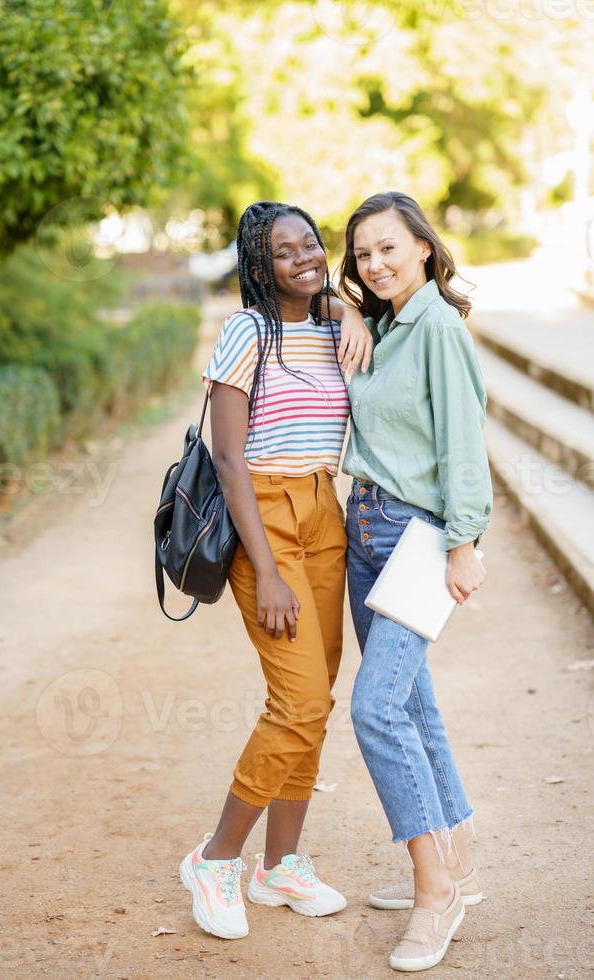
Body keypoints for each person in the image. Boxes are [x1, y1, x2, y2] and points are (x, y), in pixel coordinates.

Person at [179, 200, 372, 940]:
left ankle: (279, 865)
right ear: (259, 265)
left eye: (311, 245)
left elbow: (341, 299)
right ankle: (218, 857)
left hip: (325, 507)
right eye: (283, 252)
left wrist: (343, 304)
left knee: (316, 696)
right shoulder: (246, 331)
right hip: (264, 517)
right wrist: (268, 568)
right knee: (295, 701)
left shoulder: (332, 323)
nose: (304, 258)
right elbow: (228, 457)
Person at [339, 191, 492, 973]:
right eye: (363, 253)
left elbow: (465, 438)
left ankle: (436, 894)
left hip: (419, 537)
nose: (376, 263)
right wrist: (353, 311)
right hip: (362, 531)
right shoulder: (389, 323)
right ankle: (456, 855)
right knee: (411, 701)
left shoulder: (435, 328)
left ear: (425, 248)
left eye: (390, 248)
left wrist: (466, 541)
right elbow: (318, 287)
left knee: (374, 708)